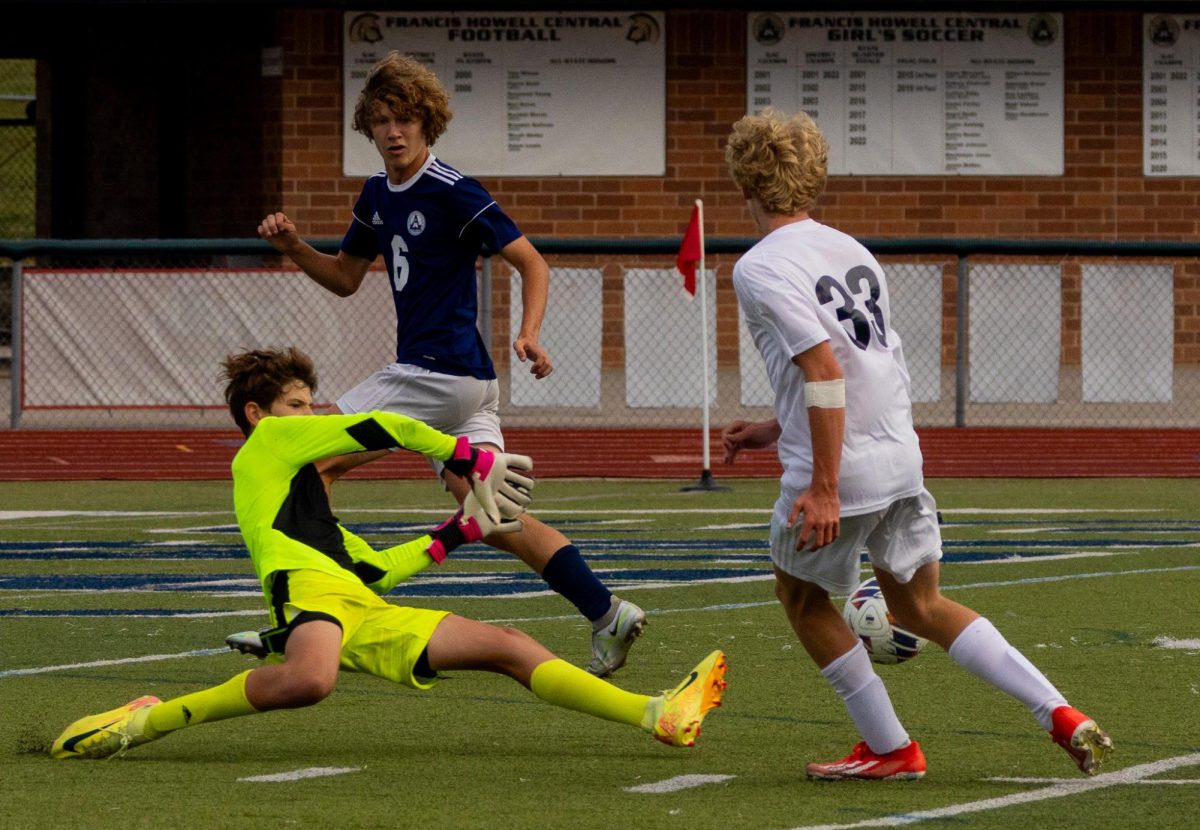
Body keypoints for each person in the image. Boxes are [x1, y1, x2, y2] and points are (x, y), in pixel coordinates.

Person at [50, 348, 726, 761]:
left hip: (355, 607)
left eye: (313, 405)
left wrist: (462, 528)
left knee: (511, 644)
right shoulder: (266, 446)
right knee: (310, 680)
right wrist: (464, 454)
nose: (314, 416)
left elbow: (373, 571)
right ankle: (146, 722)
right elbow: (388, 425)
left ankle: (657, 714)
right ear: (259, 415)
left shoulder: (307, 506)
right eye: (298, 405)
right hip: (310, 602)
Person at [720, 109, 1112, 780]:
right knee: (919, 606)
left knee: (803, 598)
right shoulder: (851, 250)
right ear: (814, 177)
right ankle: (1060, 713)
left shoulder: (758, 267)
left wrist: (822, 486)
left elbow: (823, 369)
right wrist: (775, 427)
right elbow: (865, 365)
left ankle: (890, 748)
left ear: (743, 182)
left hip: (843, 468)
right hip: (899, 453)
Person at [255, 51, 644, 677]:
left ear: (427, 122)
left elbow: (533, 263)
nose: (394, 131)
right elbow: (347, 278)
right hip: (466, 387)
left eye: (405, 117)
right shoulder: (377, 194)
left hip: (435, 376)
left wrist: (531, 332)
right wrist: (295, 246)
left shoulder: (454, 190)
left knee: (305, 462)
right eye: (382, 119)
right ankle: (606, 614)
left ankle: (309, 619)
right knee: (491, 514)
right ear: (369, 127)